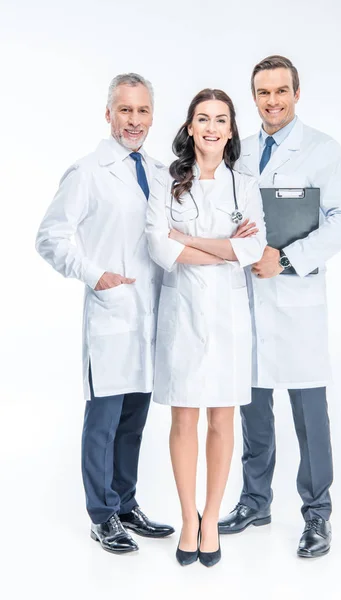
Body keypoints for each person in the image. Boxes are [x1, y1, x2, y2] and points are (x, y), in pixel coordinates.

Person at [219, 55, 341, 558]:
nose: (272, 101)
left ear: (297, 93)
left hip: (298, 298)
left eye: (281, 91)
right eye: (263, 93)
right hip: (250, 298)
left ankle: (317, 512)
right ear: (253, 98)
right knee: (252, 406)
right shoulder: (241, 152)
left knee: (309, 413)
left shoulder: (322, 149)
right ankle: (255, 500)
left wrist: (291, 258)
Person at [36, 73, 174, 554]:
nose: (133, 121)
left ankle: (126, 503)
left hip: (150, 318)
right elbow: (50, 238)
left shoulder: (159, 172)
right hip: (112, 315)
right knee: (104, 420)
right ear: (109, 114)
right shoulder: (87, 171)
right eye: (125, 110)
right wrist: (96, 277)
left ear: (152, 116)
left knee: (134, 420)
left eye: (142, 111)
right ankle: (101, 514)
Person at [145, 88, 266, 567]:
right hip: (183, 314)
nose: (212, 127)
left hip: (229, 318)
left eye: (221, 119)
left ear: (231, 129)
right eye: (203, 118)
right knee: (183, 419)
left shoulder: (246, 185)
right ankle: (187, 519)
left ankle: (211, 516)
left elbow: (252, 252)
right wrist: (223, 249)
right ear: (190, 127)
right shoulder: (166, 181)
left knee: (222, 418)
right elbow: (159, 249)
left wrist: (189, 240)